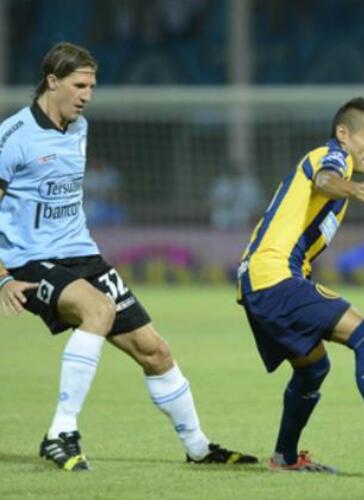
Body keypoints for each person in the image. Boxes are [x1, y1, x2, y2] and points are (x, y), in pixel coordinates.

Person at [0, 42, 257, 471]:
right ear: (52, 81)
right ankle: (60, 433)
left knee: (155, 351)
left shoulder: (79, 128)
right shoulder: (13, 137)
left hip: (84, 255)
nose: (87, 95)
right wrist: (3, 277)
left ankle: (198, 447)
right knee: (97, 311)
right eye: (79, 85)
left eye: (92, 86)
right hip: (30, 262)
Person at [236, 97, 364, 479]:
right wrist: (355, 188)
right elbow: (324, 180)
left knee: (313, 369)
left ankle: (285, 457)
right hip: (274, 277)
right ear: (344, 133)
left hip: (259, 282)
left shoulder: (337, 164)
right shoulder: (332, 156)